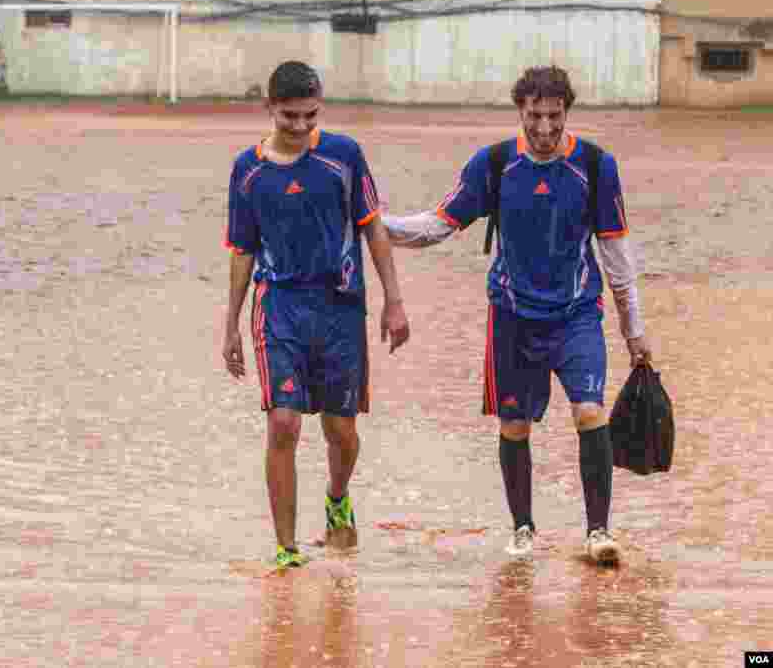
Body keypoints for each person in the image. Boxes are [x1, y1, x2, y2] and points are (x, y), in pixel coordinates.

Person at [383, 66, 653, 564]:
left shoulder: (596, 166)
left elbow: (617, 258)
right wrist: (374, 224)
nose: (545, 130)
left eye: (555, 117)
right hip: (511, 317)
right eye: (535, 117)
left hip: (577, 314)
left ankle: (598, 533)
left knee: (590, 412)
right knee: (515, 425)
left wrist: (634, 331)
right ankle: (523, 529)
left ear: (567, 112)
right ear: (520, 112)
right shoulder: (494, 165)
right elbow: (436, 226)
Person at [222, 60, 410, 569]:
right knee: (283, 423)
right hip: (278, 307)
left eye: (310, 115)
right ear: (269, 109)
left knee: (341, 431)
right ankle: (286, 548)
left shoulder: (344, 156)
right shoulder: (248, 170)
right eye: (290, 117)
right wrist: (231, 326)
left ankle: (337, 497)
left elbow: (373, 229)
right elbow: (242, 250)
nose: (302, 127)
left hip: (341, 309)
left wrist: (394, 301)